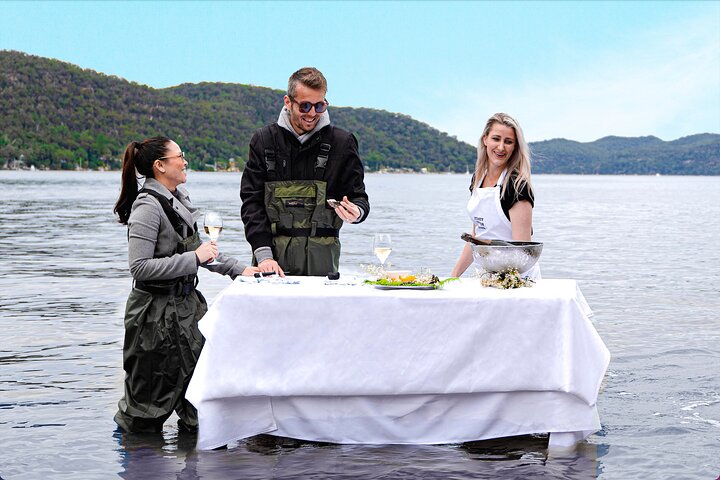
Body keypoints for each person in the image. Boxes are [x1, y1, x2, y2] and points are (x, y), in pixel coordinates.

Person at [112, 136, 259, 433]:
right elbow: (139, 267)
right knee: (146, 407)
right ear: (160, 166)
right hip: (154, 317)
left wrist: (242, 270)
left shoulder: (177, 198)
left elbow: (199, 251)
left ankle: (198, 465)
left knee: (200, 398)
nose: (185, 160)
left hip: (187, 310)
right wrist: (193, 258)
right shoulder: (147, 207)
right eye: (179, 155)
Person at [240, 67, 370, 276]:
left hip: (323, 262)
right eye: (305, 106)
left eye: (319, 106)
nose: (312, 114)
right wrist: (264, 255)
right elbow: (251, 202)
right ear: (288, 102)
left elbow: (359, 197)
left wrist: (357, 212)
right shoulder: (263, 140)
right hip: (271, 260)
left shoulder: (343, 142)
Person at [451, 113, 540, 278]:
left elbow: (523, 252)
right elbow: (477, 237)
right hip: (486, 276)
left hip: (517, 280)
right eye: (496, 139)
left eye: (508, 142)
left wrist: (501, 284)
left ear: (515, 147)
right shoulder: (478, 179)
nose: (501, 147)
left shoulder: (517, 186)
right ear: (485, 139)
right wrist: (454, 276)